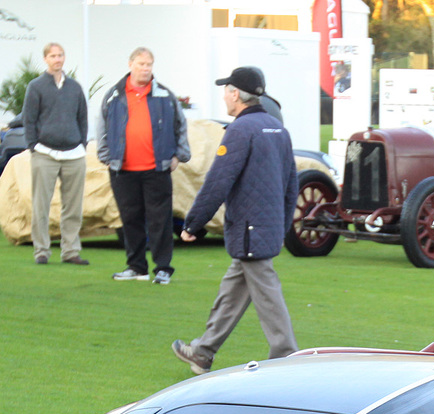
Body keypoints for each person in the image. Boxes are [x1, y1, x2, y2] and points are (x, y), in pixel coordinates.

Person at [171, 67, 297, 374]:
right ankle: (202, 352)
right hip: (264, 226)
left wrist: (192, 224)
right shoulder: (277, 128)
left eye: (227, 90)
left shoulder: (240, 131)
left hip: (248, 227)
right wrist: (281, 225)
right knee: (233, 291)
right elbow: (292, 183)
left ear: (236, 95)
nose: (224, 95)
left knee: (266, 293)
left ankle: (287, 357)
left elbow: (218, 181)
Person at [98, 47, 189, 284]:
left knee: (160, 220)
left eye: (149, 64)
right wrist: (105, 155)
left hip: (156, 169)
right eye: (141, 64)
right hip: (123, 169)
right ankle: (136, 267)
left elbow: (180, 125)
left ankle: (163, 269)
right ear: (130, 64)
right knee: (130, 219)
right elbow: (102, 126)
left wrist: (179, 155)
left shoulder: (165, 96)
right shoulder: (113, 95)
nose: (145, 69)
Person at [22, 42, 90, 266]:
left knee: (73, 207)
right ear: (45, 59)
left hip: (74, 155)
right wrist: (33, 146)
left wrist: (81, 142)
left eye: (60, 55)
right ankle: (41, 251)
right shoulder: (36, 86)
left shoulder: (75, 87)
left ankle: (70, 251)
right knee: (41, 206)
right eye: (53, 56)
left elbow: (82, 118)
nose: (57, 59)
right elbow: (29, 119)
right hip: (45, 153)